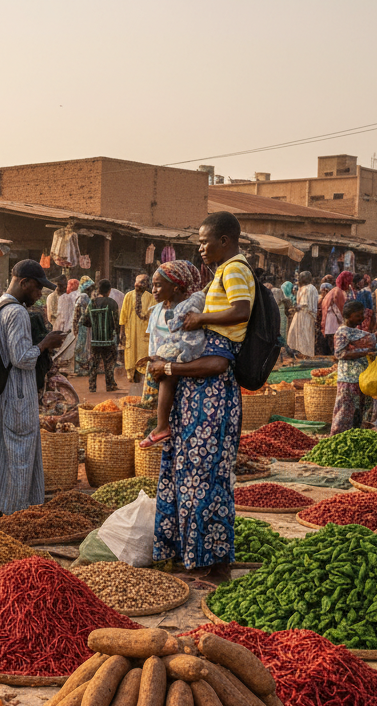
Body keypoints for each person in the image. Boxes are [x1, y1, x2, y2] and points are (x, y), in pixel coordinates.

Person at [151, 211, 253, 581]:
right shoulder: (222, 274)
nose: (200, 247)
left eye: (205, 240)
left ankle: (216, 564)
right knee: (188, 478)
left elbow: (222, 355)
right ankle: (193, 556)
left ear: (224, 240)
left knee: (204, 482)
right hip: (198, 400)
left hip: (211, 401)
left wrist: (198, 325)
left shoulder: (235, 269)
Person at [0, 260, 65, 514]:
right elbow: (22, 358)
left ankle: (5, 508)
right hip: (16, 394)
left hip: (5, 394)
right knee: (18, 454)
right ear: (23, 283)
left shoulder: (0, 307)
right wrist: (46, 343)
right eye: (37, 288)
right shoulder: (17, 313)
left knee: (5, 452)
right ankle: (15, 512)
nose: (39, 294)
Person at [138, 261, 206, 448]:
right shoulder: (157, 311)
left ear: (175, 287)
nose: (154, 290)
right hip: (160, 372)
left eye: (159, 285)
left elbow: (192, 345)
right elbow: (153, 343)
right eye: (153, 285)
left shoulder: (190, 312)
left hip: (182, 374)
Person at [330, 301, 375, 435]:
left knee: (359, 410)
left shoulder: (356, 331)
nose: (361, 318)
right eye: (357, 315)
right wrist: (365, 353)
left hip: (360, 377)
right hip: (348, 378)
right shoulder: (342, 332)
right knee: (345, 410)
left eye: (362, 314)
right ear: (348, 316)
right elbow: (339, 354)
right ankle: (337, 437)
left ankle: (356, 435)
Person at [80, 280, 121, 393]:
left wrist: (94, 325)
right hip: (108, 340)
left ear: (98, 290)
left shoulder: (91, 303)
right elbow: (116, 322)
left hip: (95, 340)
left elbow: (84, 321)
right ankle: (110, 384)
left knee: (94, 363)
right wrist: (118, 334)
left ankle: (92, 386)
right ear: (109, 291)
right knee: (110, 361)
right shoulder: (112, 303)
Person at [119, 274, 154, 382]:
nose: (137, 284)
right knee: (131, 357)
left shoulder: (151, 298)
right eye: (137, 281)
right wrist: (122, 332)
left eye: (142, 282)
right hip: (130, 334)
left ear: (147, 284)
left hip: (145, 335)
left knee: (143, 358)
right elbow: (123, 315)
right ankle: (133, 378)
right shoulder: (128, 296)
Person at [287, 271, 319, 358]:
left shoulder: (310, 288)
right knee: (296, 335)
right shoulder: (301, 288)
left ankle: (306, 355)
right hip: (300, 314)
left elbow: (307, 304)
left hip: (306, 315)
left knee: (305, 335)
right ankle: (298, 355)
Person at [320, 270, 352, 355]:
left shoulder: (335, 290)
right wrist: (342, 319)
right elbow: (336, 307)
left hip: (330, 318)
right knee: (334, 337)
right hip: (334, 319)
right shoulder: (337, 291)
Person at [70, 277, 95, 376]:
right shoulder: (83, 296)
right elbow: (77, 313)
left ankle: (82, 368)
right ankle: (81, 368)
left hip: (85, 325)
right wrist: (75, 326)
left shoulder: (86, 297)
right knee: (82, 346)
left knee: (85, 345)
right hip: (83, 325)